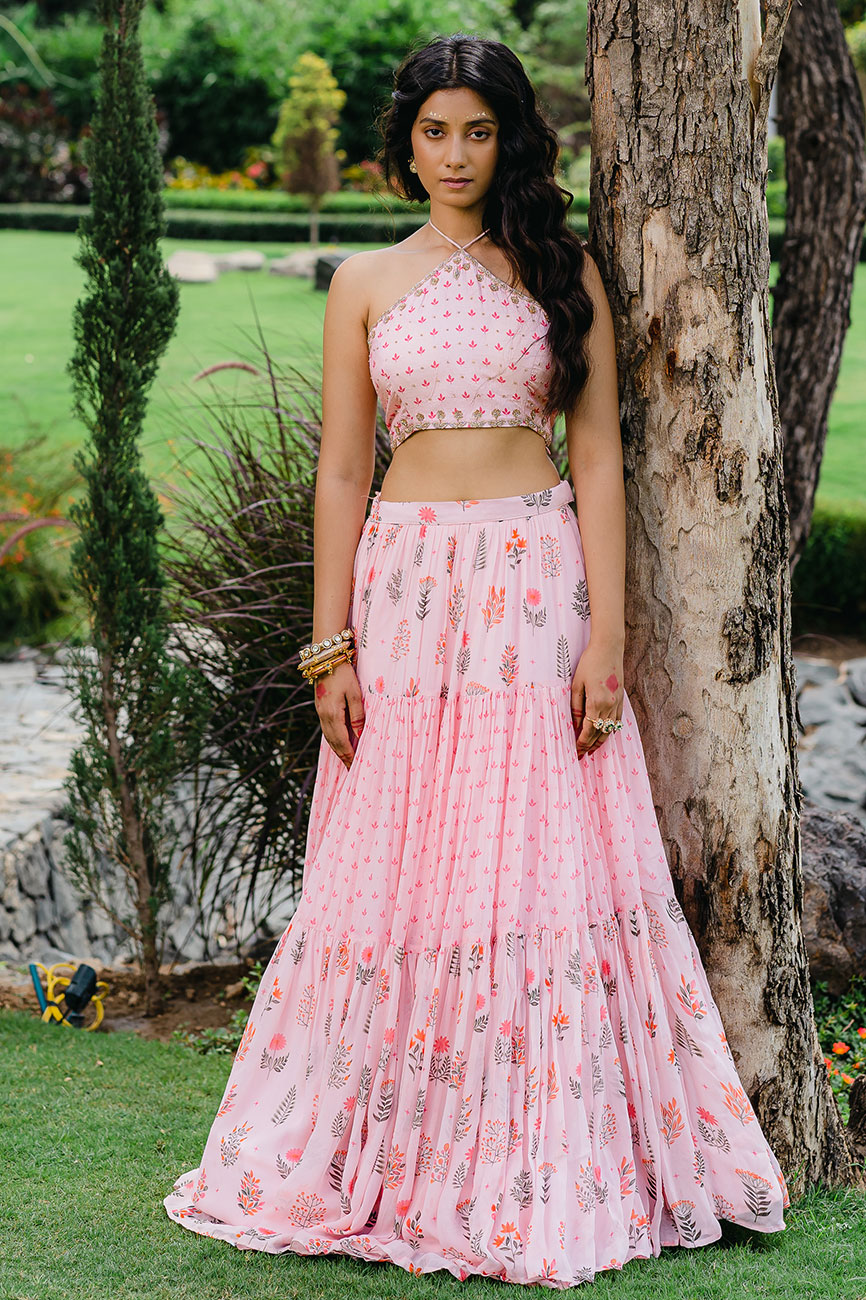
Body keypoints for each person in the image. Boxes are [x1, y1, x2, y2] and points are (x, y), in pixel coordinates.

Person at [164, 33, 789, 1287]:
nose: (453, 154)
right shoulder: (363, 283)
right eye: (433, 130)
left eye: (477, 130)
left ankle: (532, 1149)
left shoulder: (563, 272)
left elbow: (598, 457)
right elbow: (343, 468)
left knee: (530, 859)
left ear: (510, 139)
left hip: (529, 589)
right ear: (404, 143)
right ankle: (386, 1142)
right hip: (400, 597)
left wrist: (605, 633)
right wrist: (327, 641)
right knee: (403, 862)